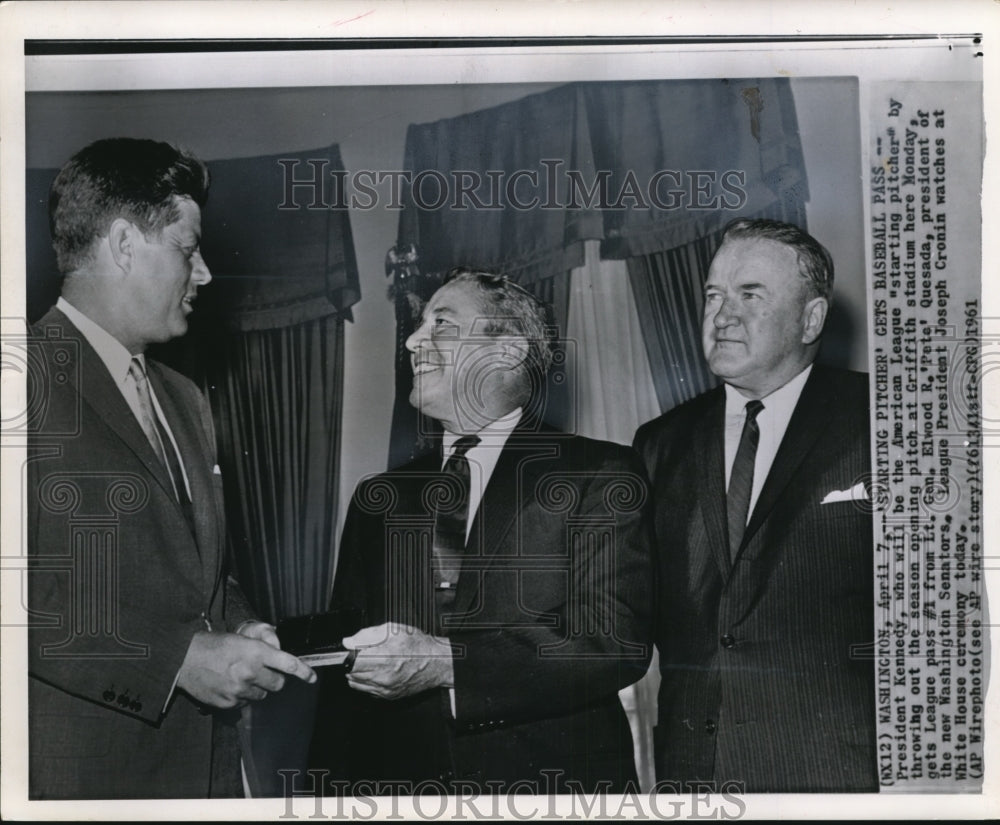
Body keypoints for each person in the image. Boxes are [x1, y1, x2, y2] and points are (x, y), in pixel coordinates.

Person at [26, 137, 316, 800]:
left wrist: (239, 623)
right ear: (125, 245)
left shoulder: (184, 398)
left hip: (205, 778)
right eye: (188, 249)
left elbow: (202, 574)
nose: (205, 272)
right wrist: (177, 658)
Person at [312, 269, 653, 794]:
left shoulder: (598, 474)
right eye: (418, 325)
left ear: (509, 350)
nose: (411, 341)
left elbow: (612, 641)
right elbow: (344, 681)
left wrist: (449, 666)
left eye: (441, 324)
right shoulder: (378, 498)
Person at [633, 219, 877, 792]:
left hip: (834, 774)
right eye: (714, 294)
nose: (722, 315)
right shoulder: (659, 442)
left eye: (750, 295)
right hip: (693, 775)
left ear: (811, 319)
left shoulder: (880, 417)